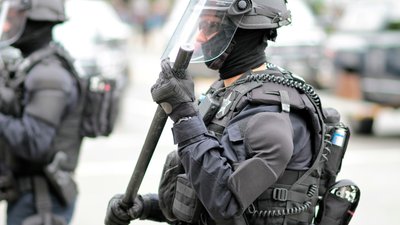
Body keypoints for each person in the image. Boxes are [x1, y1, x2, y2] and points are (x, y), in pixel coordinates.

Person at [105, 0, 357, 225]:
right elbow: (202, 192)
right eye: (200, 25)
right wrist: (146, 206)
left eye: (211, 26)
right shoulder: (226, 93)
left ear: (245, 31)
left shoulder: (273, 114)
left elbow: (224, 204)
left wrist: (184, 115)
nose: (200, 38)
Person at [0, 0, 83, 224]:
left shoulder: (49, 74)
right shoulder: (35, 64)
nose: (8, 24)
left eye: (15, 16)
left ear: (37, 21)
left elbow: (33, 142)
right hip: (29, 197)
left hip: (41, 201)